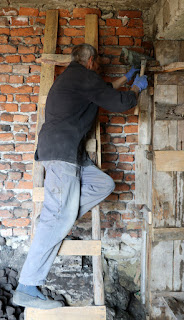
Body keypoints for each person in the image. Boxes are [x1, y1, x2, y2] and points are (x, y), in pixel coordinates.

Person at [13, 44, 148, 309]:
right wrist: (136, 89)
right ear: (90, 61)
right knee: (56, 219)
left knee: (103, 184)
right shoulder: (83, 77)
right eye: (97, 64)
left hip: (66, 151)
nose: (98, 68)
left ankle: (57, 217)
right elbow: (119, 102)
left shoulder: (75, 77)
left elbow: (103, 91)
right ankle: (27, 286)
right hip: (63, 154)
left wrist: (126, 77)